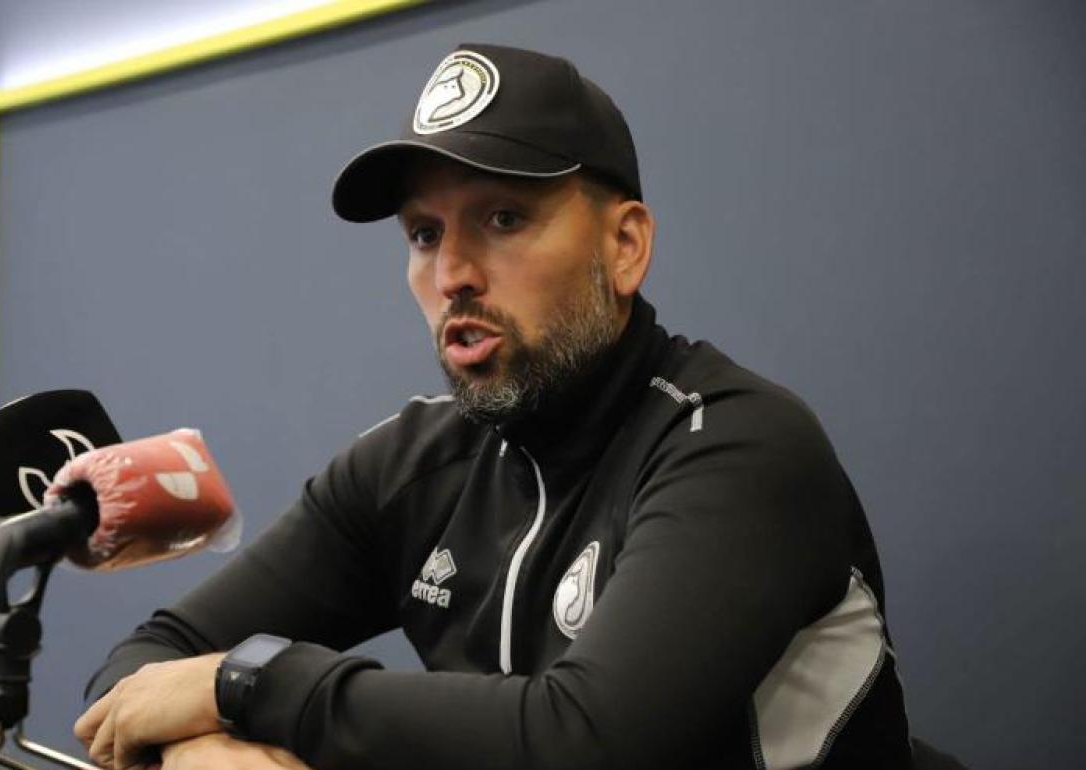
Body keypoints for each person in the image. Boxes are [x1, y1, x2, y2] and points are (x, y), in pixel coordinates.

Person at [74, 43, 912, 770]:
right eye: (424, 234)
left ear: (625, 247)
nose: (452, 275)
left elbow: (586, 742)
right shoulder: (408, 466)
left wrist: (246, 684)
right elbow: (140, 672)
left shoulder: (737, 444)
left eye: (504, 218)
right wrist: (209, 753)